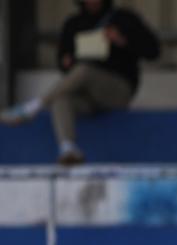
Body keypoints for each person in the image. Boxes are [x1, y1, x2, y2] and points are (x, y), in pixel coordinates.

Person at [0, 0, 160, 165]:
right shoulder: (73, 24)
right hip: (87, 97)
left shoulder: (124, 18)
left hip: (117, 91)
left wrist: (123, 40)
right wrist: (67, 61)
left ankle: (33, 107)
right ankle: (68, 148)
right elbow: (63, 64)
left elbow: (154, 51)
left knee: (85, 70)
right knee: (60, 99)